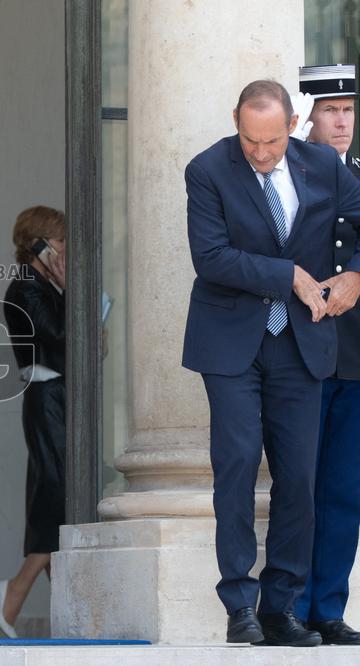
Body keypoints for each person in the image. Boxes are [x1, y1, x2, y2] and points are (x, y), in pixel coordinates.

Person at [182, 79, 360, 647]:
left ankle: (282, 606)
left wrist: (355, 272)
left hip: (301, 344)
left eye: (273, 142)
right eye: (250, 140)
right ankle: (240, 603)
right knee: (235, 466)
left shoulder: (323, 167)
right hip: (232, 342)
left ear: (292, 124)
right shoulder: (207, 169)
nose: (261, 154)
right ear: (236, 119)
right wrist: (289, 277)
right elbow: (210, 256)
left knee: (300, 478)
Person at [290, 64, 360, 645]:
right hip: (300, 354)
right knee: (299, 487)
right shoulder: (287, 175)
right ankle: (288, 605)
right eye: (329, 110)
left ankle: (327, 607)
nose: (340, 121)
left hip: (356, 358)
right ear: (307, 115)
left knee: (344, 490)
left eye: (348, 109)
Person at [0, 206, 66, 638]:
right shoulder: (26, 289)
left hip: (62, 397)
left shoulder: (47, 287)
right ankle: (14, 591)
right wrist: (71, 288)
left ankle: (65, 606)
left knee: (58, 497)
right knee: (55, 494)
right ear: (41, 243)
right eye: (62, 241)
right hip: (46, 395)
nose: (68, 249)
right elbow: (58, 340)